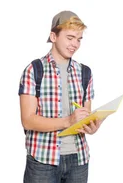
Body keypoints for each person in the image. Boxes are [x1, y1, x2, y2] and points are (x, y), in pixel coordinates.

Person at [18, 10, 104, 183]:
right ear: (54, 36)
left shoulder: (85, 72)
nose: (75, 44)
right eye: (70, 37)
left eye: (79, 39)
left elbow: (84, 116)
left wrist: (91, 126)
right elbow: (28, 120)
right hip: (43, 161)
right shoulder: (34, 70)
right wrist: (68, 121)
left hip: (78, 160)